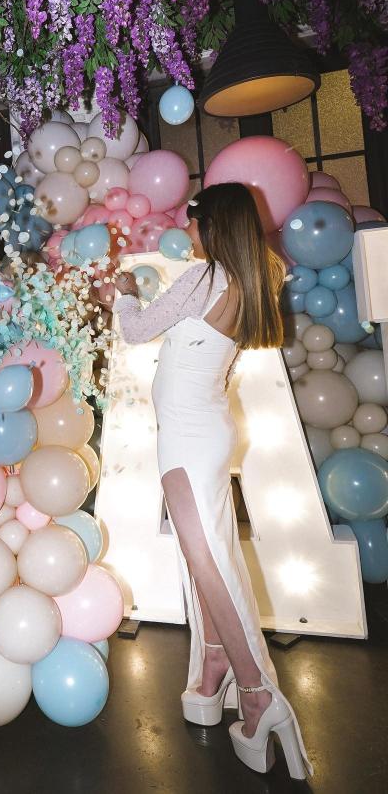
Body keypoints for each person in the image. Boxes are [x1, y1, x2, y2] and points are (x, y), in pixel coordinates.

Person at [113, 183, 312, 780]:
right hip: (202, 433)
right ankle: (215, 663)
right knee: (205, 560)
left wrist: (124, 295)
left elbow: (135, 330)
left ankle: (256, 694)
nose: (187, 231)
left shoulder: (204, 279)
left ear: (213, 226)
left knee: (211, 563)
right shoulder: (250, 277)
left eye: (193, 222)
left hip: (187, 442)